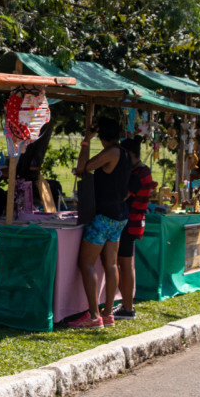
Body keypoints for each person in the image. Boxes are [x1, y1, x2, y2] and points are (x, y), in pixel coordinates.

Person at [68, 117, 131, 328]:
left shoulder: (112, 152)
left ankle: (94, 316)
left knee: (86, 263)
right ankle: (107, 313)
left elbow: (82, 168)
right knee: (110, 263)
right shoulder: (124, 154)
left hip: (104, 216)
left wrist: (86, 140)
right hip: (119, 215)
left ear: (102, 135)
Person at [114, 138, 156, 320]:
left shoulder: (138, 174)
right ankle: (126, 304)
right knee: (125, 264)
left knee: (126, 264)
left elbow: (123, 196)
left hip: (130, 223)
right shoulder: (142, 171)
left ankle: (128, 307)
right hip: (134, 222)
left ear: (130, 154)